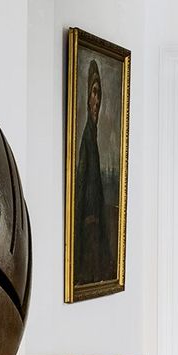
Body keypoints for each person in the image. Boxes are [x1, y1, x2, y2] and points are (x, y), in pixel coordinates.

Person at [74, 58, 116, 284]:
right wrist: (90, 220)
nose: (97, 101)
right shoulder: (86, 139)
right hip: (89, 225)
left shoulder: (93, 136)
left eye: (99, 94)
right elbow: (83, 185)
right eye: (94, 92)